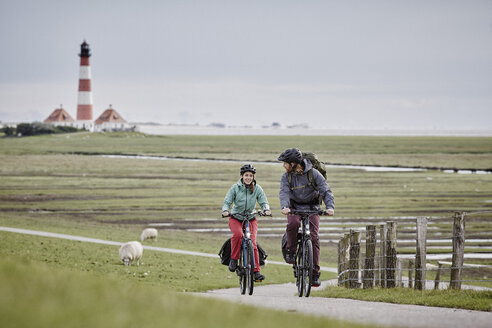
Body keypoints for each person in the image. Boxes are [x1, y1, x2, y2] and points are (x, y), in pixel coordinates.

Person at [278, 148, 335, 287]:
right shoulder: (287, 176)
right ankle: (291, 250)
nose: (283, 166)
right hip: (294, 208)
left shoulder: (313, 174)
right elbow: (284, 192)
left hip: (312, 208)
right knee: (292, 224)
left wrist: (330, 207)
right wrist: (285, 207)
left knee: (314, 238)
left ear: (294, 163)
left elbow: (325, 190)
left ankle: (315, 274)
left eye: (285, 163)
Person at [222, 164, 271, 281]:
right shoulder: (235, 188)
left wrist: (266, 209)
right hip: (235, 218)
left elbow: (264, 201)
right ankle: (234, 259)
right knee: (238, 235)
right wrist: (225, 210)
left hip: (251, 218)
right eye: (246, 175)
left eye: (250, 175)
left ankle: (256, 271)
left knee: (252, 243)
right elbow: (227, 201)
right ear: (242, 176)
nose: (248, 178)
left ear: (253, 177)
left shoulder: (257, 188)